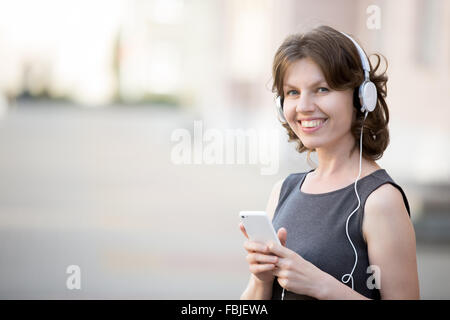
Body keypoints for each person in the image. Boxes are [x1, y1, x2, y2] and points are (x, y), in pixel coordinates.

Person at [239, 25, 419, 300]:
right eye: (292, 92)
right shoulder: (283, 191)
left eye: (321, 89)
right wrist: (261, 281)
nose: (304, 106)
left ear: (361, 97)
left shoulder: (379, 201)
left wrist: (322, 286)